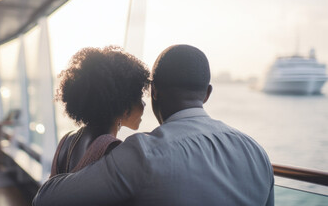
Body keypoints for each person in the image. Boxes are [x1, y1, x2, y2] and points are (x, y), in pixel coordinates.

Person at [33, 45, 274, 206]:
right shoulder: (258, 153)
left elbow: (46, 198)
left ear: (154, 91)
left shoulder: (142, 154)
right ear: (207, 94)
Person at [50, 46, 150, 177]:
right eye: (139, 97)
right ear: (125, 105)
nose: (144, 103)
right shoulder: (112, 150)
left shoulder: (66, 141)